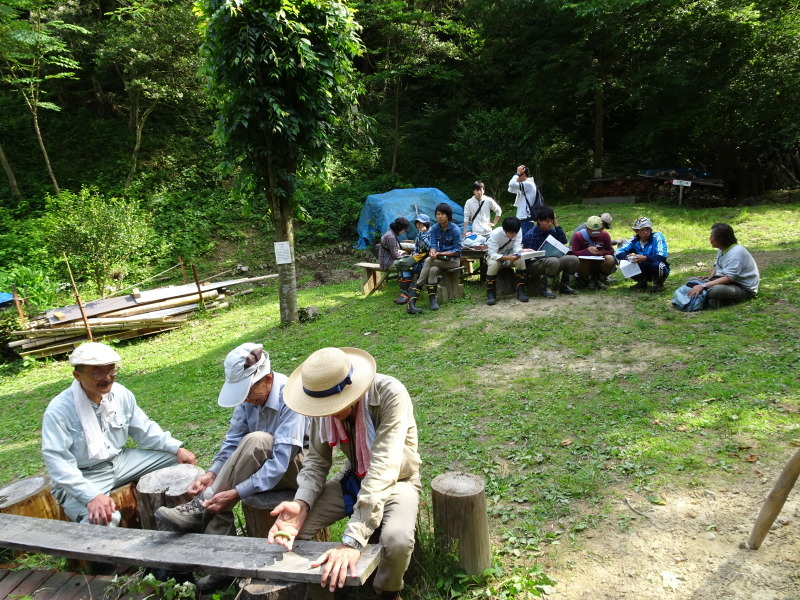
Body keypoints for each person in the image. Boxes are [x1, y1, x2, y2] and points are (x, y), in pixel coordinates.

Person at [267, 347, 421, 600]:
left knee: (397, 540)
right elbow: (316, 462)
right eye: (321, 406)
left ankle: (386, 593)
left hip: (398, 479)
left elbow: (384, 466)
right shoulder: (320, 404)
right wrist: (301, 503)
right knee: (298, 529)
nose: (326, 412)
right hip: (354, 476)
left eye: (332, 404)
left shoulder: (390, 393)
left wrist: (353, 539)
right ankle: (323, 589)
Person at [155, 343, 308, 536]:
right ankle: (219, 548)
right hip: (264, 465)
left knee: (257, 440)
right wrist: (213, 473)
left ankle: (202, 505)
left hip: (298, 469)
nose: (245, 400)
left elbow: (280, 461)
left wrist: (237, 492)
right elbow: (233, 441)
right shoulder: (249, 399)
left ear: (267, 379)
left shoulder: (290, 395)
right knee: (221, 484)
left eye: (248, 393)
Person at [42, 342, 196, 526]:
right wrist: (91, 496)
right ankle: (93, 551)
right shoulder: (59, 411)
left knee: (179, 462)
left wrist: (176, 447)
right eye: (98, 372)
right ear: (78, 376)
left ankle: (187, 516)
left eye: (112, 371)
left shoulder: (120, 394)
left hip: (122, 462)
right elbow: (58, 462)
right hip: (85, 474)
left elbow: (144, 428)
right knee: (104, 519)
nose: (107, 378)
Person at [686, 222, 760, 308]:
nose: (709, 239)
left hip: (742, 287)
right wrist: (710, 277)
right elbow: (717, 264)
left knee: (715, 291)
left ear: (720, 239)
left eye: (711, 236)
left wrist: (703, 285)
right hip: (727, 281)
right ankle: (712, 300)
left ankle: (712, 298)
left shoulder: (736, 252)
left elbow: (729, 278)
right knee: (691, 281)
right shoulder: (722, 249)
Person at [407, 203, 461, 314]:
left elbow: (457, 251)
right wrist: (432, 252)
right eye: (437, 214)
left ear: (448, 215)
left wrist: (439, 253)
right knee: (432, 269)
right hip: (439, 260)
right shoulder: (435, 228)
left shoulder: (455, 229)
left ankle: (413, 297)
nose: (439, 216)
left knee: (428, 260)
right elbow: (433, 245)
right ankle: (433, 301)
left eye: (442, 214)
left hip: (453, 261)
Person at [522, 206, 580, 298]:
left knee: (573, 259)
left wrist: (556, 225)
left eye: (552, 221)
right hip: (533, 265)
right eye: (548, 221)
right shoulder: (531, 235)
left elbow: (564, 240)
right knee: (553, 260)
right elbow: (529, 258)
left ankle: (565, 286)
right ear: (539, 221)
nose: (550, 224)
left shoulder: (551, 231)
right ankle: (545, 288)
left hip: (551, 261)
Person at [615, 217, 670, 293]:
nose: (646, 232)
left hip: (656, 266)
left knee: (657, 264)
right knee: (624, 262)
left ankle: (658, 284)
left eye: (647, 229)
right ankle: (641, 282)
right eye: (642, 230)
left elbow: (662, 256)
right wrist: (627, 257)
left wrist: (645, 258)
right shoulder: (634, 240)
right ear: (637, 231)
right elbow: (618, 252)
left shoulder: (657, 236)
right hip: (642, 267)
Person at [485, 216, 529, 305]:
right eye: (511, 233)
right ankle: (491, 293)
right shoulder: (495, 234)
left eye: (516, 232)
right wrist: (507, 258)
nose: (514, 235)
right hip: (496, 258)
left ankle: (520, 291)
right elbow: (492, 254)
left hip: (510, 256)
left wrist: (522, 251)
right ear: (505, 230)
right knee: (493, 264)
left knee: (521, 260)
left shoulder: (518, 231)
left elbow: (517, 247)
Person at [391, 214, 431, 305]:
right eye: (417, 222)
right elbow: (416, 249)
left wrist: (424, 234)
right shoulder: (419, 234)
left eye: (421, 223)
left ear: (427, 223)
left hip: (428, 262)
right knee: (403, 266)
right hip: (419, 260)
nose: (419, 225)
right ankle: (404, 294)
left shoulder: (431, 233)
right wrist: (413, 254)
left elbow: (431, 247)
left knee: (407, 268)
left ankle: (407, 295)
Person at [571, 215, 616, 290]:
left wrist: (602, 252)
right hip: (585, 263)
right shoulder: (578, 236)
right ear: (587, 228)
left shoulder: (605, 235)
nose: (595, 233)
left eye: (597, 231)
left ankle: (600, 278)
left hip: (600, 262)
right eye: (592, 231)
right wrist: (587, 251)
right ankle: (586, 278)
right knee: (579, 261)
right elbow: (575, 253)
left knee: (610, 259)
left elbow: (610, 250)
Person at [463, 181, 502, 245]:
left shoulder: (488, 200)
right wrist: (465, 231)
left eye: (481, 190)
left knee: (489, 251)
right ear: (473, 191)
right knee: (478, 251)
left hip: (488, 232)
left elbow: (498, 210)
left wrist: (494, 223)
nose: (479, 192)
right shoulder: (469, 202)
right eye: (477, 190)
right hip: (476, 233)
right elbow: (466, 217)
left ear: (483, 190)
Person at [507, 165, 542, 237]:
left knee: (525, 243)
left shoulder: (528, 184)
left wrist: (517, 174)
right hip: (522, 219)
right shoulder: (524, 185)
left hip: (526, 219)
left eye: (519, 175)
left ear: (523, 175)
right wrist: (517, 175)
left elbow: (511, 184)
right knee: (522, 242)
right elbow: (510, 189)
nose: (517, 177)